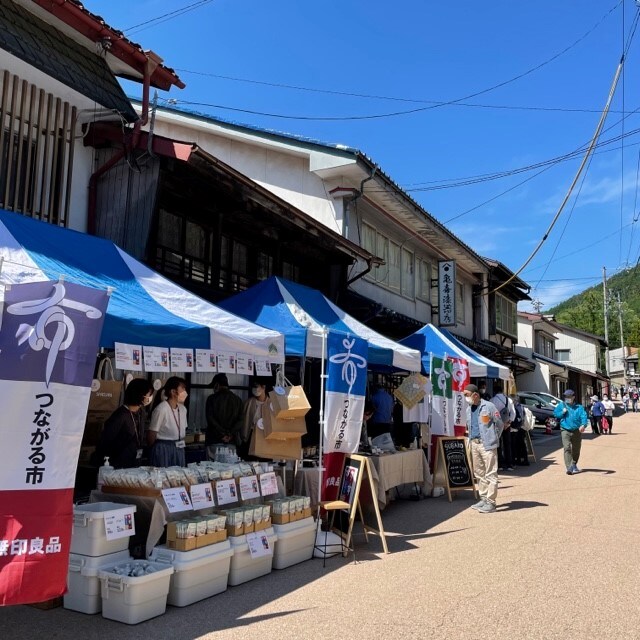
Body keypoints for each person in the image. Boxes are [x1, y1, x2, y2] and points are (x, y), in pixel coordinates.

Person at [94, 378, 153, 469]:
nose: (150, 397)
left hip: (135, 462)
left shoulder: (141, 412)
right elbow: (105, 442)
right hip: (118, 465)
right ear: (140, 395)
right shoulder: (120, 416)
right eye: (149, 394)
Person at [464, 383, 504, 513]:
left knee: (491, 473)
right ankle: (484, 498)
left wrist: (494, 438)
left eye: (467, 395)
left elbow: (500, 424)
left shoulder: (489, 406)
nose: (466, 398)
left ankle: (491, 502)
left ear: (475, 395)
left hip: (487, 444)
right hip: (474, 443)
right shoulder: (468, 409)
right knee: (479, 473)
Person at [147, 376, 188, 467]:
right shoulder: (161, 409)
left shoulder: (183, 409)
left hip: (179, 447)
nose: (185, 392)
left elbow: (182, 430)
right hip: (163, 449)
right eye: (182, 388)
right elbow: (152, 434)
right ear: (173, 391)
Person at [205, 373, 244, 456]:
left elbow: (210, 419)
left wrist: (221, 434)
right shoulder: (237, 400)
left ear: (217, 385)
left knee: (211, 468)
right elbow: (240, 421)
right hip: (231, 442)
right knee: (230, 468)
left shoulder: (211, 399)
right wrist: (230, 434)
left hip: (214, 440)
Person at [553, 389, 588, 475]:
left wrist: (583, 425)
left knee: (576, 449)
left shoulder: (579, 407)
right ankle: (569, 467)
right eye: (565, 396)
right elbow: (555, 414)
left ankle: (574, 463)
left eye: (569, 397)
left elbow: (584, 417)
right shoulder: (561, 405)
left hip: (576, 430)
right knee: (567, 447)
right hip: (565, 429)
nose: (567, 398)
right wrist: (562, 412)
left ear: (573, 397)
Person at [239, 377, 272, 459]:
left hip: (266, 437)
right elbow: (243, 420)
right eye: (253, 387)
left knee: (265, 461)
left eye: (256, 386)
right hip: (250, 436)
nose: (254, 389)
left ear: (263, 387)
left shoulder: (271, 403)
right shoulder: (248, 403)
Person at [491, 381, 516, 471]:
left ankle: (500, 464)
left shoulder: (492, 400)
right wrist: (509, 423)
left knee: (498, 444)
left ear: (494, 391)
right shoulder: (508, 400)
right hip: (507, 424)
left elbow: (492, 414)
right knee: (507, 444)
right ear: (502, 391)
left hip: (497, 425)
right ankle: (509, 464)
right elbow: (513, 412)